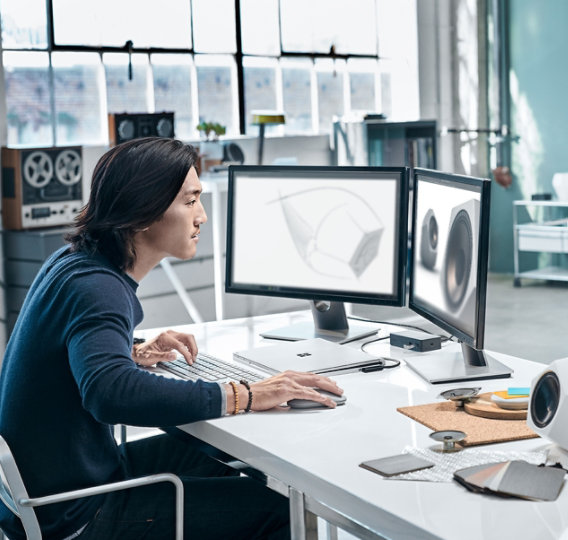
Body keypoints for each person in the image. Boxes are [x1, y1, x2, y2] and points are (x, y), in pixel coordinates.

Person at [0, 137, 344, 539]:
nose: (202, 215)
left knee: (228, 459)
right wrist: (243, 393)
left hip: (55, 488)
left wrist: (128, 352)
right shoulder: (98, 289)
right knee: (279, 511)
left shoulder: (75, 262)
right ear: (143, 211)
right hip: (77, 514)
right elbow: (108, 393)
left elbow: (68, 352)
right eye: (190, 200)